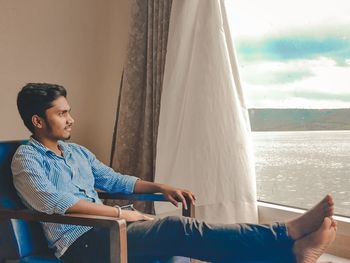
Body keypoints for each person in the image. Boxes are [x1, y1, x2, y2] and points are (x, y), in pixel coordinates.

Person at [12, 83, 336, 263]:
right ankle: (286, 239)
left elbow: (114, 180)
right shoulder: (26, 160)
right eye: (62, 113)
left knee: (187, 234)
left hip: (109, 228)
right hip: (79, 243)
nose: (71, 119)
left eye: (70, 111)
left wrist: (161, 186)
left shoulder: (76, 152)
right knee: (175, 228)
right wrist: (121, 216)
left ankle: (287, 251)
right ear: (38, 120)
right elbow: (55, 203)